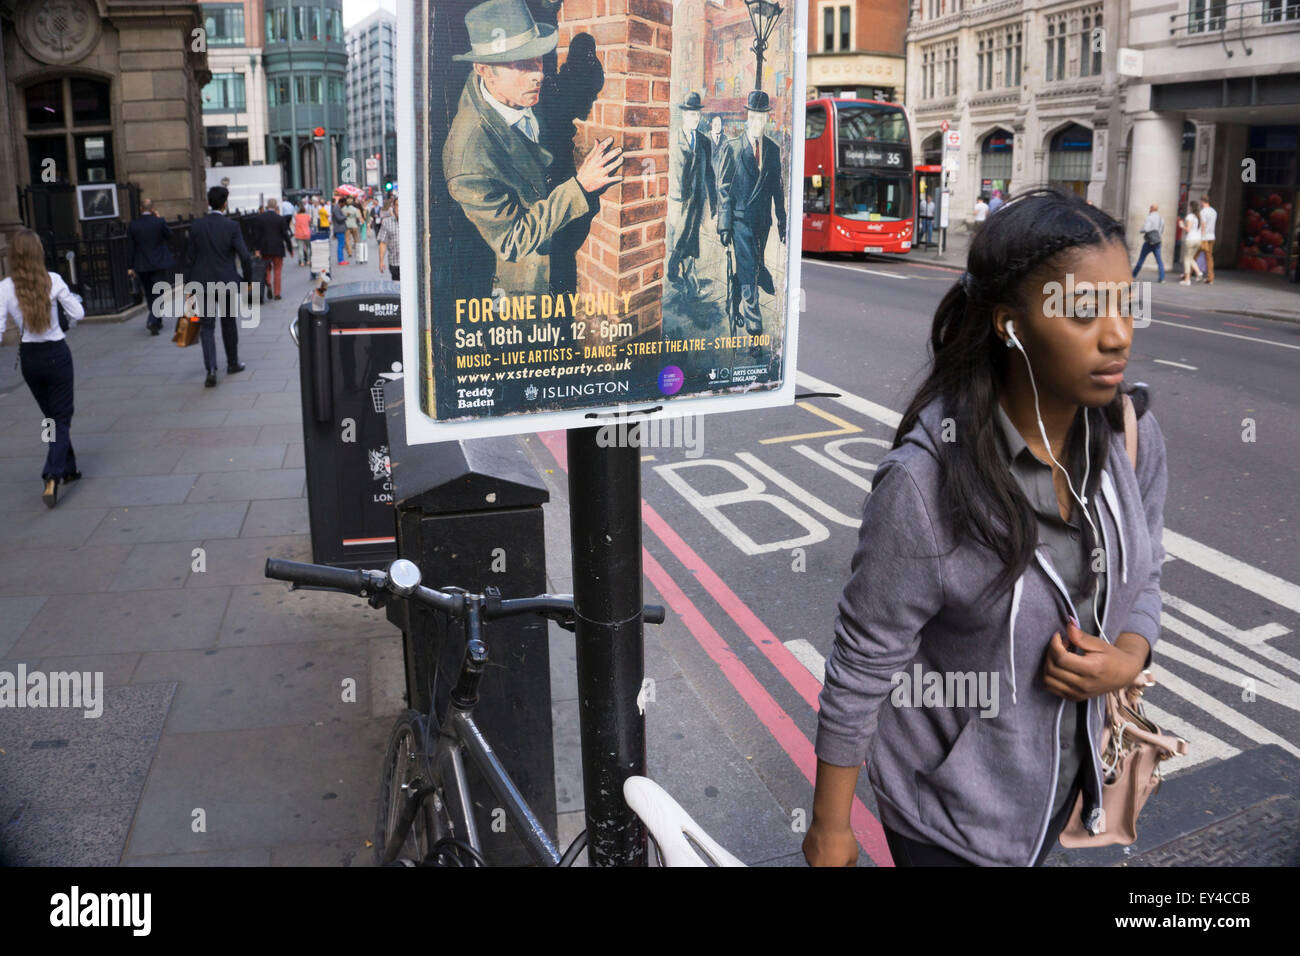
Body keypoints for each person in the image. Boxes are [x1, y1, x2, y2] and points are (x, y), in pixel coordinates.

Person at [803, 188, 1167, 868]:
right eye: (1084, 312)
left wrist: (1130, 655)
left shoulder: (1131, 435)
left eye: (1125, 304)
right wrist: (830, 829)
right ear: (1010, 325)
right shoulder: (926, 484)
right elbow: (862, 661)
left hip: (1062, 785)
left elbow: (1148, 567)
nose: (1117, 335)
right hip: (948, 816)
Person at [442, 0, 623, 299]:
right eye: (522, 64)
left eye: (537, 60)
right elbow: (513, 240)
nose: (538, 74)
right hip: (525, 287)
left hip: (560, 257)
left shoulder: (522, 92)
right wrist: (581, 186)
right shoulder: (468, 158)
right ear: (485, 70)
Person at [0, 228, 85, 506]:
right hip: (56, 354)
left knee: (53, 416)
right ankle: (52, 474)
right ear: (39, 252)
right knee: (61, 417)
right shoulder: (54, 280)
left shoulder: (4, 287)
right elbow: (78, 314)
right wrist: (66, 313)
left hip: (30, 359)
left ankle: (69, 469)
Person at [716, 89, 787, 340]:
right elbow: (723, 189)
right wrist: (724, 226)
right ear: (748, 119)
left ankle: (732, 305)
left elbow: (777, 189)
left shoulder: (772, 149)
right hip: (740, 222)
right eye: (753, 118)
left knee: (749, 269)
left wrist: (782, 221)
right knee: (750, 274)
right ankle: (755, 330)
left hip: (762, 223)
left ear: (766, 119)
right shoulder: (733, 148)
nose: (757, 123)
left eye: (761, 118)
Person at [183, 184, 252, 387]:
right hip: (226, 282)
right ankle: (232, 363)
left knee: (206, 327)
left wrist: (188, 286)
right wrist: (247, 280)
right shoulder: (231, 226)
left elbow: (189, 258)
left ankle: (211, 369)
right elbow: (245, 257)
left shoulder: (196, 226)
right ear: (225, 203)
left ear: (208, 202)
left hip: (202, 283)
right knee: (228, 323)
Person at [666, 91, 717, 293]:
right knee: (680, 240)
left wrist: (713, 202)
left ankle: (683, 275)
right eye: (690, 114)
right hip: (679, 201)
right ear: (684, 116)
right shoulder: (673, 140)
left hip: (696, 201)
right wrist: (673, 202)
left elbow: (709, 174)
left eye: (697, 115)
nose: (694, 118)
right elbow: (669, 173)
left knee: (690, 239)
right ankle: (682, 276)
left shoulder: (704, 142)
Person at [125, 197, 176, 335]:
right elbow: (170, 235)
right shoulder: (159, 222)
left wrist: (130, 266)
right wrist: (160, 218)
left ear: (141, 209)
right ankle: (153, 320)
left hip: (141, 264)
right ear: (152, 209)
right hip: (158, 263)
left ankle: (157, 322)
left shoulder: (133, 225)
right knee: (158, 292)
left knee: (149, 292)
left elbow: (130, 247)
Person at [252, 197, 293, 300]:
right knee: (277, 270)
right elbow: (285, 235)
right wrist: (290, 248)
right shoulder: (280, 219)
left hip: (265, 248)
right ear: (275, 206)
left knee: (267, 269)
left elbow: (256, 235)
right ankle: (277, 293)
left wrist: (257, 249)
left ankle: (268, 283)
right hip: (278, 248)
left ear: (267, 206)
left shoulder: (260, 218)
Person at [1132, 203, 1165, 283]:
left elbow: (1146, 229)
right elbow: (1161, 230)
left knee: (1141, 259)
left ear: (1151, 209)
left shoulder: (1149, 217)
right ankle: (1162, 278)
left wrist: (1141, 230)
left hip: (1148, 242)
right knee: (1159, 260)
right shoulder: (1161, 218)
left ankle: (1133, 276)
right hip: (1157, 242)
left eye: (1150, 208)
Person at [377, 195, 400, 281]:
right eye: (397, 205)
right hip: (395, 263)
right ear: (393, 207)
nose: (399, 208)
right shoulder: (387, 222)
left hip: (411, 264)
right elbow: (383, 243)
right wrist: (381, 261)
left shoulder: (413, 221)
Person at [1181, 200, 1203, 285]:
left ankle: (1187, 279)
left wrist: (1182, 225)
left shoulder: (1190, 216)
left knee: (1187, 259)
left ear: (1191, 207)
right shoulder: (1199, 217)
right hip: (1198, 239)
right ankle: (1198, 272)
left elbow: (1188, 229)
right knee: (1190, 258)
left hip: (1190, 239)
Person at [1199, 193, 1217, 284]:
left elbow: (1203, 225)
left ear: (1202, 201)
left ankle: (1188, 273)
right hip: (1212, 236)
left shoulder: (1203, 212)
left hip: (1204, 237)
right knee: (1209, 258)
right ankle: (1211, 277)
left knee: (1194, 255)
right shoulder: (1214, 211)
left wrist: (1200, 236)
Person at [293, 201, 312, 266]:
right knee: (308, 248)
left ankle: (302, 262)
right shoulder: (307, 216)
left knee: (300, 249)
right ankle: (309, 261)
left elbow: (294, 223)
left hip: (298, 234)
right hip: (306, 233)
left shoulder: (296, 216)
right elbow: (309, 223)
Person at [331, 196, 348, 264]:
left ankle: (341, 259)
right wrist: (345, 216)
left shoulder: (337, 208)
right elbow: (339, 218)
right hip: (339, 229)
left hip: (340, 229)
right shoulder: (336, 208)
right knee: (340, 245)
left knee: (341, 244)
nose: (344, 205)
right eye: (344, 204)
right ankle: (341, 260)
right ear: (342, 203)